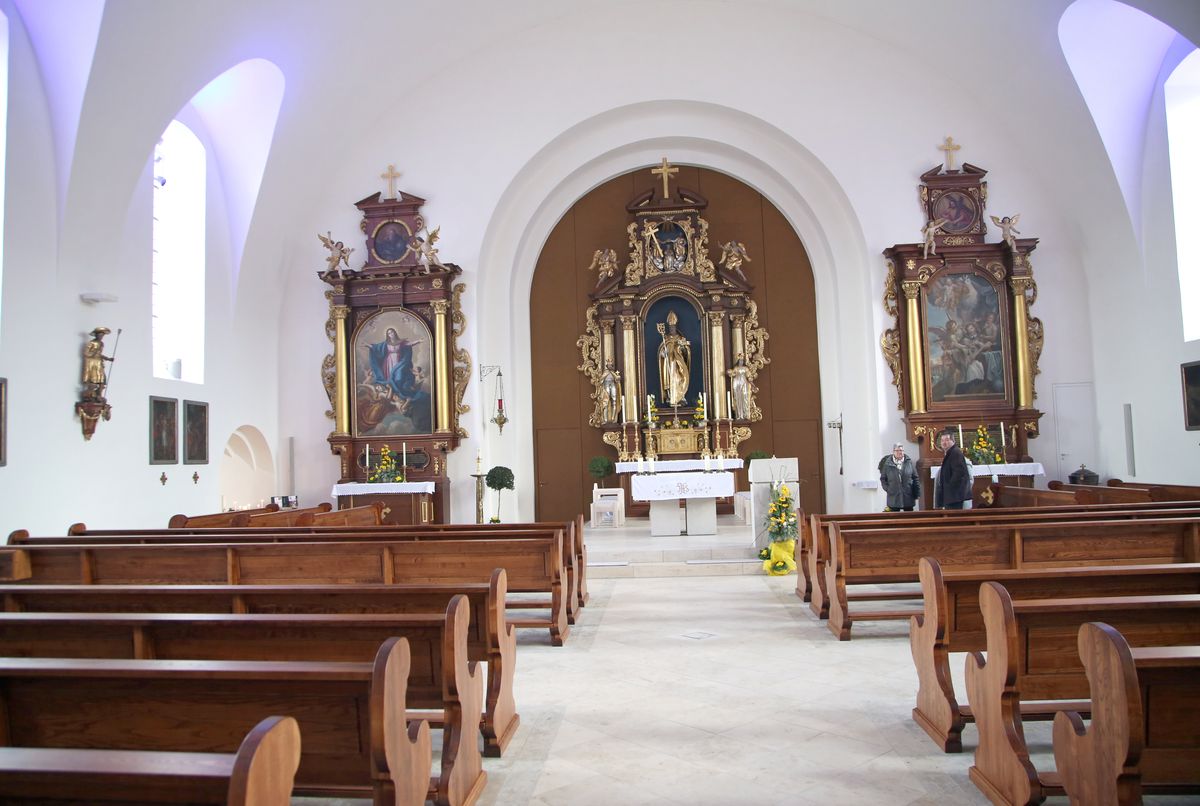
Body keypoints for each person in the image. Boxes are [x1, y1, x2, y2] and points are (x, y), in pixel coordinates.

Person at [656, 310, 691, 405]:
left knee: (681, 378)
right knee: (670, 379)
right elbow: (661, 352)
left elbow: (686, 351)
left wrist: (683, 348)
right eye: (670, 327)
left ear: (676, 327)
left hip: (679, 363)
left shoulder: (681, 338)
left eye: (673, 327)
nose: (671, 328)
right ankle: (670, 395)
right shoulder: (666, 339)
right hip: (669, 364)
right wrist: (663, 353)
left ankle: (681, 396)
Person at [934, 429, 972, 509]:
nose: (944, 443)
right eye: (942, 440)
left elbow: (959, 474)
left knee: (954, 518)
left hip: (954, 496)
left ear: (953, 441)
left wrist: (949, 488)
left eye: (947, 440)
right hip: (952, 496)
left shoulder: (955, 453)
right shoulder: (950, 453)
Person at [878, 442, 920, 512]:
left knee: (909, 519)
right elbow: (883, 479)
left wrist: (917, 492)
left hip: (908, 497)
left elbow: (915, 478)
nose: (899, 452)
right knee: (894, 520)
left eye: (901, 450)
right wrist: (888, 489)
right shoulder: (887, 464)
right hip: (893, 497)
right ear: (893, 452)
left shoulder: (909, 462)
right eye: (897, 450)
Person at [82, 327, 114, 401]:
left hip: (99, 362)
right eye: (100, 335)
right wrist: (93, 353)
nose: (101, 337)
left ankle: (99, 395)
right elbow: (86, 353)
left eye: (102, 335)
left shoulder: (101, 343)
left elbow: (100, 354)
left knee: (102, 379)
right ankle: (91, 394)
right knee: (93, 380)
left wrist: (108, 359)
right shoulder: (92, 343)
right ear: (96, 335)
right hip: (92, 363)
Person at [727, 353, 751, 420]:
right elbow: (732, 373)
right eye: (740, 360)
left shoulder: (745, 368)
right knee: (738, 398)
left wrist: (753, 385)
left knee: (744, 397)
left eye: (742, 360)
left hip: (744, 383)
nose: (741, 361)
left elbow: (749, 376)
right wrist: (730, 372)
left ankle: (744, 414)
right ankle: (739, 414)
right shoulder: (736, 368)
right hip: (737, 383)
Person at [598, 358, 621, 423]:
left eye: (611, 365)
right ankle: (605, 419)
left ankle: (613, 418)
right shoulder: (605, 372)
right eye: (609, 365)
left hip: (613, 385)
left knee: (614, 401)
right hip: (606, 385)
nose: (610, 366)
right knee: (605, 402)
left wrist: (616, 377)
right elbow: (601, 379)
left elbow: (617, 379)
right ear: (607, 366)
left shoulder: (614, 373)